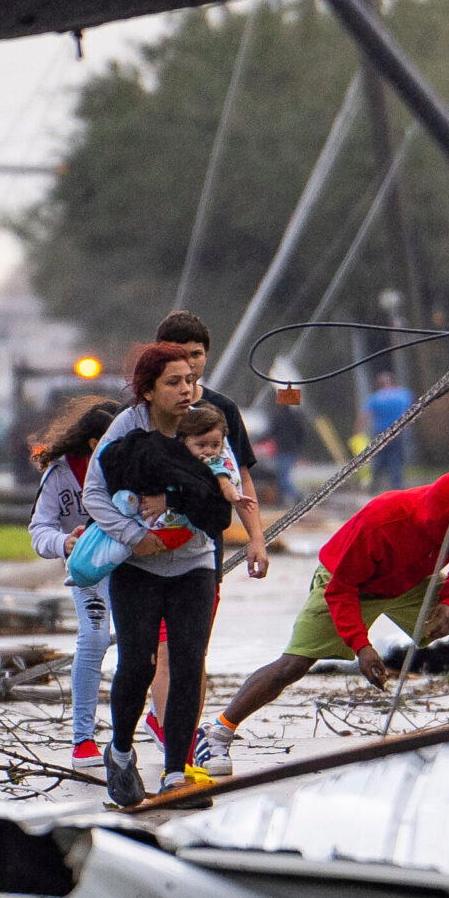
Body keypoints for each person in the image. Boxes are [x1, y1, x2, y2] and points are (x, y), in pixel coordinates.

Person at [202, 472, 449, 777]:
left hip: (412, 580)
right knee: (292, 665)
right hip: (348, 584)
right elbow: (341, 589)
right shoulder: (383, 521)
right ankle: (217, 732)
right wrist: (362, 646)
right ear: (442, 524)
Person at [84, 342, 228, 807]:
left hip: (195, 564)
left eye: (189, 380)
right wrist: (132, 535)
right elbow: (94, 494)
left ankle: (174, 772)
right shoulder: (126, 430)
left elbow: (225, 485)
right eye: (173, 382)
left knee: (188, 664)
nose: (186, 390)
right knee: (138, 663)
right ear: (147, 391)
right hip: (137, 566)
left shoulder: (204, 422)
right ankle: (121, 753)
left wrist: (179, 502)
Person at [140, 312, 269, 766]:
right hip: (148, 552)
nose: (190, 368)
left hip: (204, 551)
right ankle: (169, 729)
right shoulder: (144, 412)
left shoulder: (221, 411)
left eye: (197, 356)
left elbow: (241, 477)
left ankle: (181, 732)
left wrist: (256, 539)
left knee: (192, 649)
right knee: (161, 651)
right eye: (179, 358)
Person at [27, 397, 124, 768]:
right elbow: (39, 530)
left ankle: (138, 728)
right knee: (95, 637)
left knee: (141, 646)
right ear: (92, 443)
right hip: (88, 570)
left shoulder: (130, 468)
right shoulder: (60, 473)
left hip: (132, 566)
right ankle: (83, 739)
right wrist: (65, 543)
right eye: (111, 441)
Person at [176, 402, 246, 508]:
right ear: (183, 441)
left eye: (215, 445)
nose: (209, 451)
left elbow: (225, 484)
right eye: (201, 445)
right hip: (164, 521)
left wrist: (234, 496)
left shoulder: (213, 463)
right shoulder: (174, 459)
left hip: (195, 521)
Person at [359, 370, 416, 492]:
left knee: (378, 461)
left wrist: (358, 432)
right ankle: (397, 488)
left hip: (380, 433)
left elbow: (364, 416)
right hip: (398, 433)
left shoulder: (375, 398)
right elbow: (412, 408)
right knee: (396, 461)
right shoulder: (403, 394)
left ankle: (374, 487)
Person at [265, 402, 308, 506]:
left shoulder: (278, 419)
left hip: (282, 450)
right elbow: (301, 434)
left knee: (282, 478)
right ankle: (280, 500)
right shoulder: (295, 419)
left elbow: (271, 433)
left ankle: (297, 495)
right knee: (283, 477)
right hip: (292, 450)